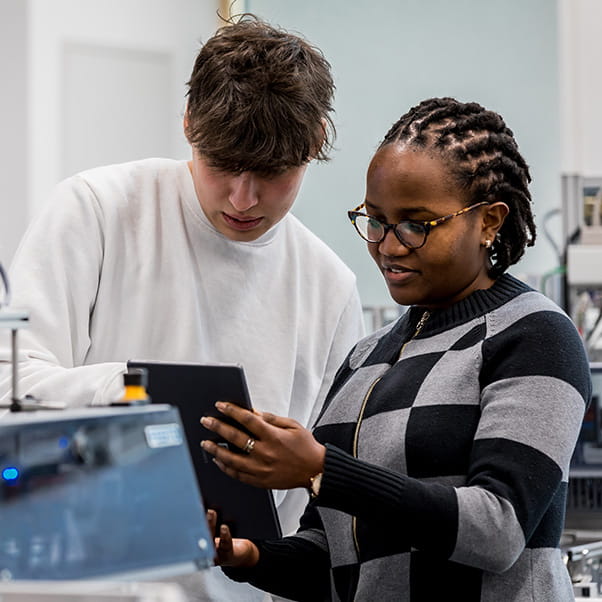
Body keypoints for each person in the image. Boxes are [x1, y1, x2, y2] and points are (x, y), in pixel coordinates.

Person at [0, 15, 364, 602]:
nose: (243, 199)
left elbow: (314, 513)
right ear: (189, 123)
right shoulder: (96, 210)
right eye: (222, 165)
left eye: (271, 173)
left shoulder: (329, 288)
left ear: (316, 142)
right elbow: (10, 381)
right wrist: (133, 396)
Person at [199, 97, 592, 601]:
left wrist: (321, 469)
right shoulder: (366, 358)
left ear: (490, 221)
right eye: (376, 219)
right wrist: (248, 556)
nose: (388, 245)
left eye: (416, 224)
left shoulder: (534, 334)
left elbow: (497, 530)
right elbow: (334, 556)